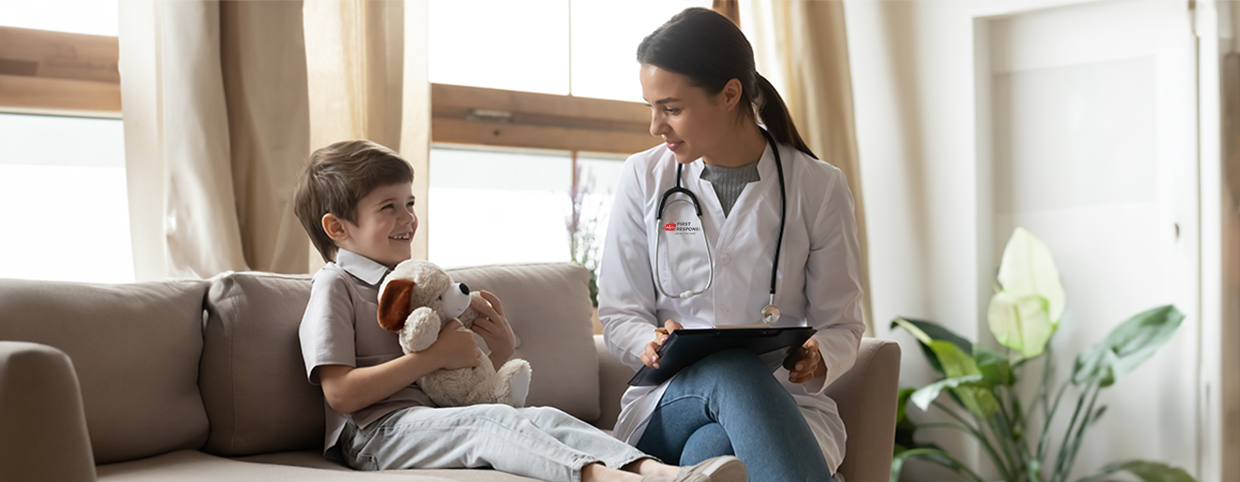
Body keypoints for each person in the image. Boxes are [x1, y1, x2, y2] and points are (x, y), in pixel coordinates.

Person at [293, 139, 747, 482]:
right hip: (376, 435)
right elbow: (341, 395)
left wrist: (499, 345)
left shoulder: (418, 281)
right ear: (337, 228)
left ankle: (662, 472)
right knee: (492, 422)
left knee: (543, 416)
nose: (408, 218)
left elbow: (458, 373)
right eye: (388, 207)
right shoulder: (335, 285)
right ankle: (603, 478)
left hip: (433, 418)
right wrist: (431, 358)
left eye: (410, 203)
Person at [598, 8, 866, 482]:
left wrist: (819, 352)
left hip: (785, 405)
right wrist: (650, 341)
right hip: (669, 403)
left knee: (719, 453)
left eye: (671, 108)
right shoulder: (644, 177)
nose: (656, 126)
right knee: (734, 370)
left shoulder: (818, 186)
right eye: (651, 107)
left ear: (729, 94)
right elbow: (620, 313)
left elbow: (841, 322)